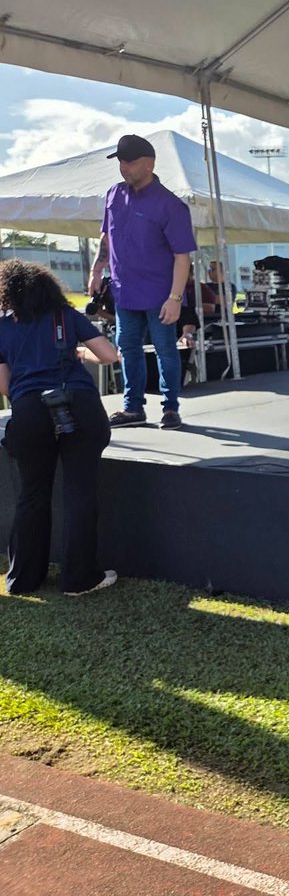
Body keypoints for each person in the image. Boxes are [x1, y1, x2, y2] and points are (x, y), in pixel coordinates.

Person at [0, 260, 119, 595]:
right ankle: (80, 579)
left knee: (32, 492)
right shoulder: (66, 316)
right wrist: (81, 352)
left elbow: (5, 386)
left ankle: (22, 578)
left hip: (28, 410)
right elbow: (109, 355)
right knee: (79, 490)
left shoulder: (1, 327)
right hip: (77, 403)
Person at [88, 133, 196, 431]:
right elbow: (106, 237)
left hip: (161, 294)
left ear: (149, 164)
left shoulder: (171, 206)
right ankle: (132, 407)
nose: (123, 167)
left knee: (165, 350)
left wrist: (175, 299)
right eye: (120, 161)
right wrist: (97, 271)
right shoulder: (113, 194)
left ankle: (170, 408)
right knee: (128, 348)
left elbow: (182, 257)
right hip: (124, 292)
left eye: (130, 162)